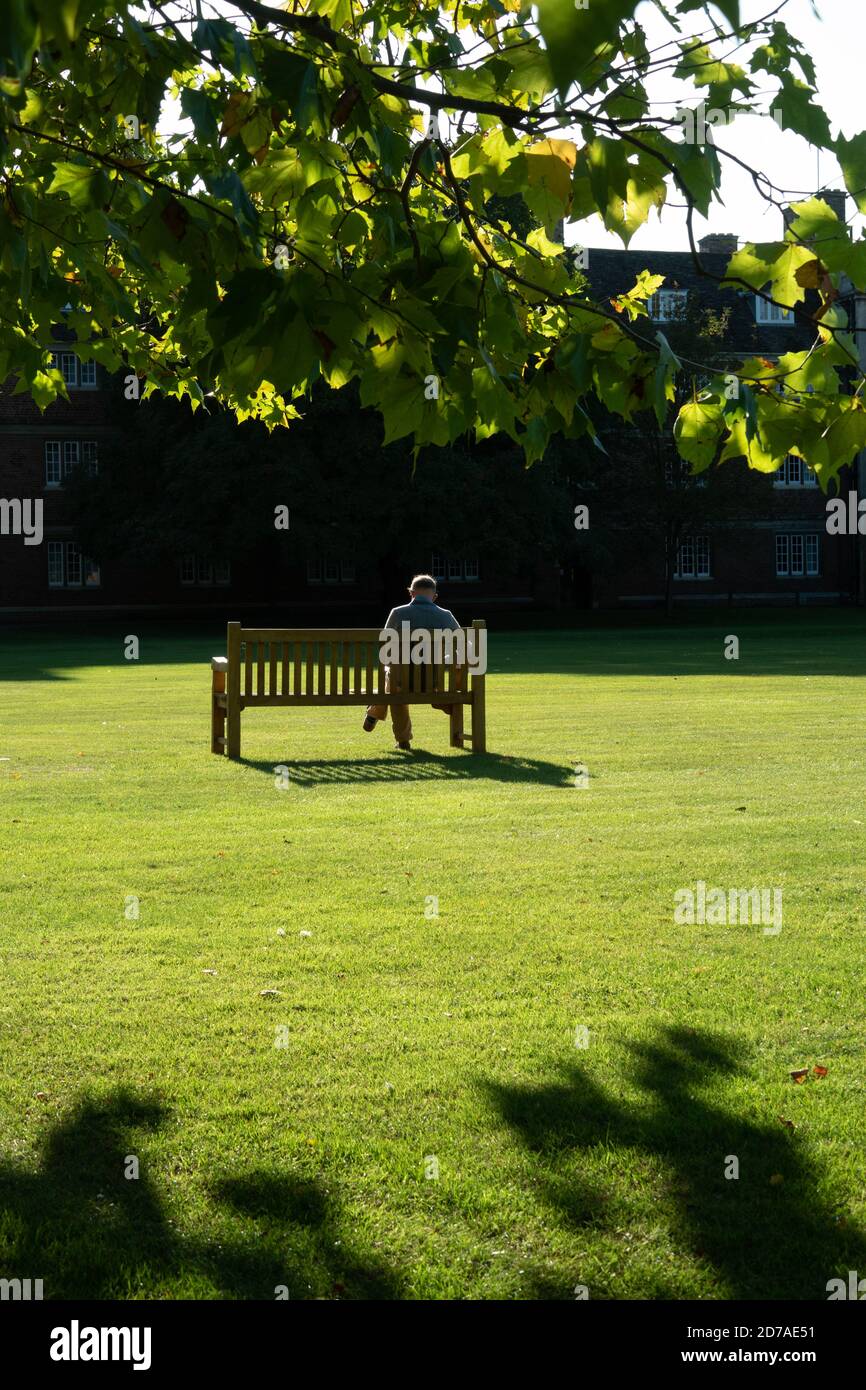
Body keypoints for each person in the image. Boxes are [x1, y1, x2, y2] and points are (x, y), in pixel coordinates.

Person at [363, 574, 461, 749]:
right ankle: (441, 703)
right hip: (433, 682)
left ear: (411, 593)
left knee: (393, 680)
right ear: (435, 596)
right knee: (394, 680)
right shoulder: (446, 616)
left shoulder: (398, 613)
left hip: (401, 681)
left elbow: (385, 646)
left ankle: (400, 736)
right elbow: (462, 645)